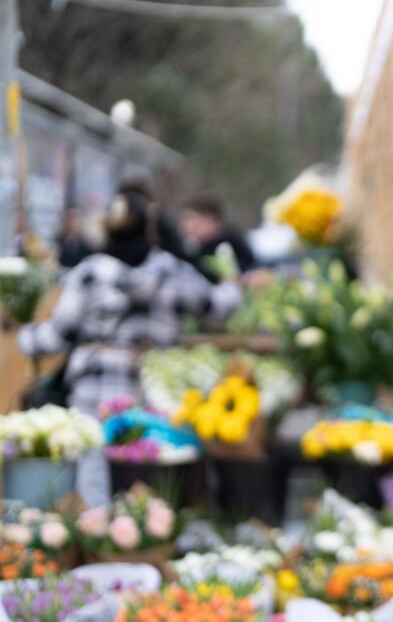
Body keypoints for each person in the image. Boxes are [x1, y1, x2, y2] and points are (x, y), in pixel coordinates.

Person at [18, 187, 241, 507]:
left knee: (94, 478)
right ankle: (151, 541)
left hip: (95, 392)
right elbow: (217, 307)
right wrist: (233, 283)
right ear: (149, 228)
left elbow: (55, 336)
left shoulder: (89, 273)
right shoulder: (171, 270)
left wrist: (23, 336)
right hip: (154, 392)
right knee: (152, 482)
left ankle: (99, 539)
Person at [178, 193, 255, 283]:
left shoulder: (235, 250)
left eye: (190, 218)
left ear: (211, 220)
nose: (184, 226)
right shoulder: (193, 252)